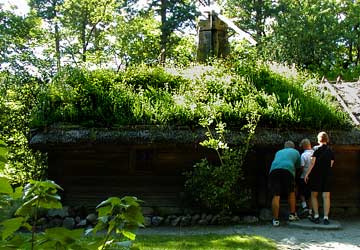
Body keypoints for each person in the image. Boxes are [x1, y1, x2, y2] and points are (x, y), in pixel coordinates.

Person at [304, 131, 335, 225]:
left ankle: (316, 216)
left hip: (316, 175)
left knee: (314, 195)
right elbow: (331, 164)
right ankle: (326, 217)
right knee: (326, 196)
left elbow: (312, 163)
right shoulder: (330, 151)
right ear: (327, 139)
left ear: (318, 139)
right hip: (327, 175)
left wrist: (307, 174)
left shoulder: (316, 149)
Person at [269, 140, 301, 226]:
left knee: (276, 195)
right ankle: (292, 214)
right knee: (291, 192)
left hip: (274, 171)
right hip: (288, 170)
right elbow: (298, 166)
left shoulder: (278, 152)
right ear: (293, 147)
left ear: (284, 147)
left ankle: (275, 220)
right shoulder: (296, 152)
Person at [298, 138, 314, 217]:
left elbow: (302, 167)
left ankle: (305, 207)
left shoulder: (303, 155)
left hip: (303, 176)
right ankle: (311, 211)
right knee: (311, 194)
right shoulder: (315, 153)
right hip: (313, 177)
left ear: (304, 146)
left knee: (301, 192)